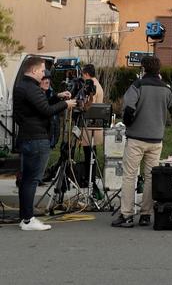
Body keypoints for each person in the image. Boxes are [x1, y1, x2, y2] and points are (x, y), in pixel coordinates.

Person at [13, 57, 76, 231]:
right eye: (42, 71)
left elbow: (38, 106)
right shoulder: (31, 88)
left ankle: (25, 217)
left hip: (28, 137)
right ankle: (27, 220)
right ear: (33, 71)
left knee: (27, 180)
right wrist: (66, 104)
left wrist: (56, 97)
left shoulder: (23, 86)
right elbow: (46, 111)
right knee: (31, 180)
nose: (43, 74)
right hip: (36, 138)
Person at [112, 56, 172, 228]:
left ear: (143, 69)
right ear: (159, 70)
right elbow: (171, 102)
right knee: (150, 177)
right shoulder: (167, 88)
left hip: (136, 138)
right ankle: (146, 214)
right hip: (156, 138)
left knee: (129, 176)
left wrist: (128, 123)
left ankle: (126, 214)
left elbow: (128, 108)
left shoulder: (137, 85)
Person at [80, 64, 104, 189]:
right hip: (95, 124)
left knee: (89, 154)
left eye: (82, 74)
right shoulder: (98, 84)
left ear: (86, 74)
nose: (82, 77)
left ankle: (90, 179)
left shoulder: (91, 86)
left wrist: (80, 105)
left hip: (90, 125)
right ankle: (91, 178)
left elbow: (89, 104)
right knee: (92, 154)